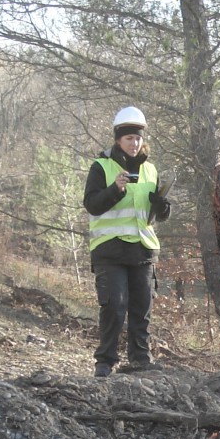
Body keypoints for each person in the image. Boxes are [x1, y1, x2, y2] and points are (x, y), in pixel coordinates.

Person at [84, 106, 171, 377]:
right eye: (129, 139)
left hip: (143, 249)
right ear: (118, 140)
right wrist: (115, 190)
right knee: (114, 305)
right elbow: (92, 206)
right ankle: (105, 361)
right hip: (109, 249)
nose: (135, 143)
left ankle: (140, 360)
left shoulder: (151, 171)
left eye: (138, 138)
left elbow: (157, 216)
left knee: (141, 307)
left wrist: (163, 204)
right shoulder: (102, 166)